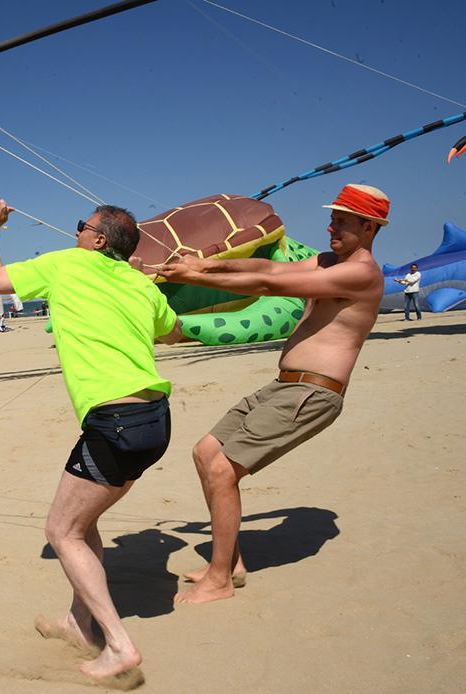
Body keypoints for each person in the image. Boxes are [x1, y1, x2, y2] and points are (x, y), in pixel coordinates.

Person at [0, 194, 184, 685]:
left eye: (81, 227)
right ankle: (77, 622)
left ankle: (119, 646)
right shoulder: (140, 282)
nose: (75, 233)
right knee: (82, 523)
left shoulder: (68, 264)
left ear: (99, 240)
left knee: (61, 532)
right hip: (155, 420)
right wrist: (135, 289)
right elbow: (173, 333)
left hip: (116, 422)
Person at [152, 183, 388, 604]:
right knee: (206, 452)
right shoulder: (327, 261)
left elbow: (268, 285)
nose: (330, 227)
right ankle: (230, 563)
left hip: (314, 392)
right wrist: (206, 265)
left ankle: (220, 580)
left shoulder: (361, 273)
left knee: (223, 470)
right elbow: (270, 268)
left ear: (368, 227)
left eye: (341, 222)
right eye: (332, 219)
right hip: (285, 385)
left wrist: (194, 276)